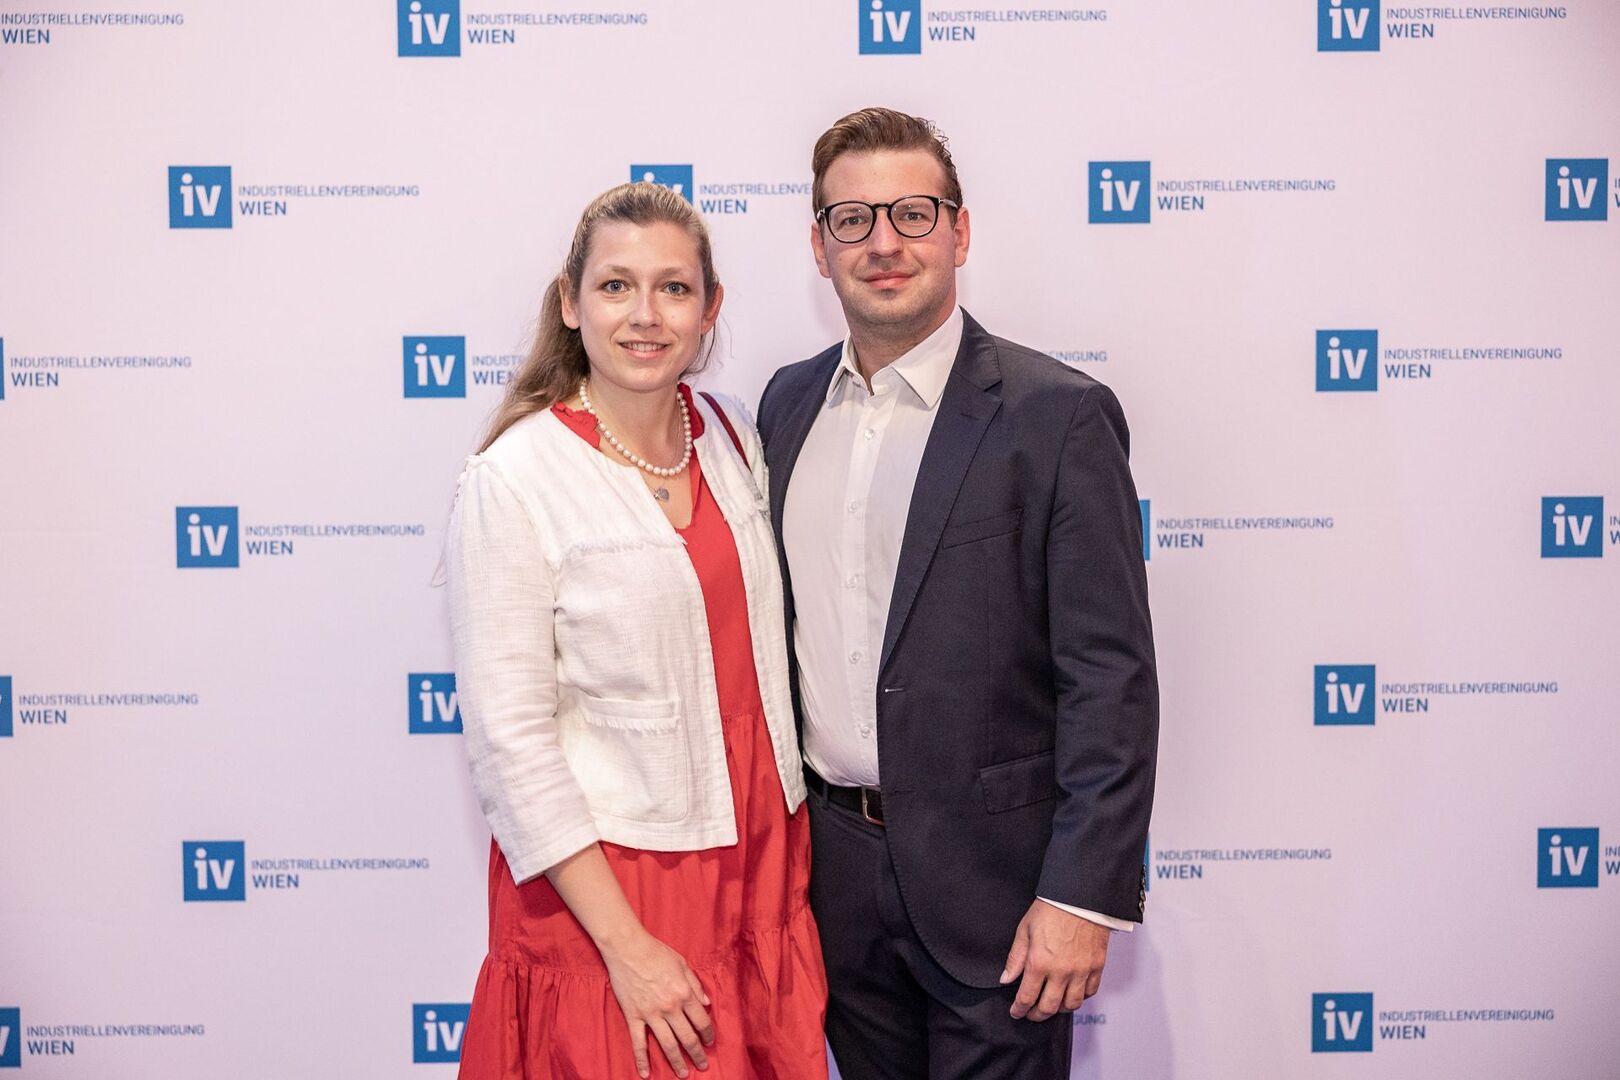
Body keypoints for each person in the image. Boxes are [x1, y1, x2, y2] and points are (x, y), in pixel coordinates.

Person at [757, 108, 1159, 1079]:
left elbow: (1109, 677)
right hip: (835, 885)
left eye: (913, 213)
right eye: (852, 219)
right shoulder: (785, 405)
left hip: (1004, 897)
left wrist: (1080, 894)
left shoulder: (1057, 416)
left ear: (960, 231)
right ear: (819, 246)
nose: (883, 242)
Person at [445, 182, 828, 1080]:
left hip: (761, 861)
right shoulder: (515, 476)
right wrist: (626, 946)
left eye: (674, 288)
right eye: (616, 286)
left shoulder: (732, 436)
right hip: (615, 888)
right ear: (570, 302)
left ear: (710, 309)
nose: (645, 315)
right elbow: (510, 743)